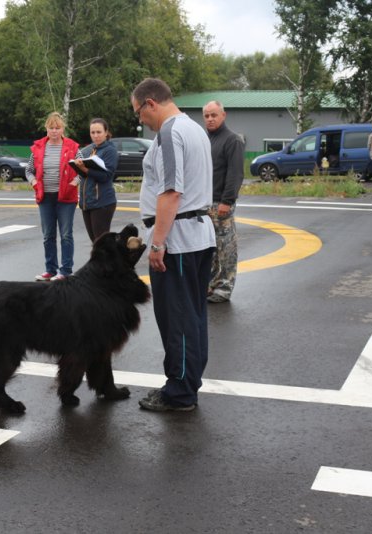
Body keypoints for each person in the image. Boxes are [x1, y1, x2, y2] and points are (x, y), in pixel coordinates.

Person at [132, 78, 216, 412]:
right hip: (197, 233)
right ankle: (186, 382)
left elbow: (171, 192)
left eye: (139, 112)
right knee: (193, 315)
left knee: (178, 318)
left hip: (178, 238)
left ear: (150, 103)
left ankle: (179, 392)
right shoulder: (194, 129)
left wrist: (157, 245)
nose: (140, 119)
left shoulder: (169, 132)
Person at [26, 112, 81, 281]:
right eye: (51, 128)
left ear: (63, 129)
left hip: (66, 197)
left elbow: (83, 168)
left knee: (66, 234)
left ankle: (65, 271)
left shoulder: (73, 147)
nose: (54, 131)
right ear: (46, 129)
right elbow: (29, 170)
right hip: (45, 197)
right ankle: (50, 269)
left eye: (57, 128)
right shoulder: (38, 147)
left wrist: (75, 181)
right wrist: (33, 182)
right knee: (48, 235)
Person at [202, 100, 244, 303]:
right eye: (207, 116)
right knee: (209, 250)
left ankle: (224, 288)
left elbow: (235, 174)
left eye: (214, 115)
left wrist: (227, 201)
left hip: (221, 204)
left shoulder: (232, 140)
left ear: (223, 115)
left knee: (225, 249)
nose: (210, 119)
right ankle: (210, 285)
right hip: (204, 204)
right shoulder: (205, 140)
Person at [72, 118, 118, 242]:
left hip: (102, 203)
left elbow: (106, 176)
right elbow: (84, 176)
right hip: (87, 202)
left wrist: (85, 169)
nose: (95, 135)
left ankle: (109, 262)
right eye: (93, 132)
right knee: (95, 242)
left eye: (99, 132)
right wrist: (77, 167)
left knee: (101, 244)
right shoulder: (90, 149)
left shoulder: (110, 150)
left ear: (106, 132)